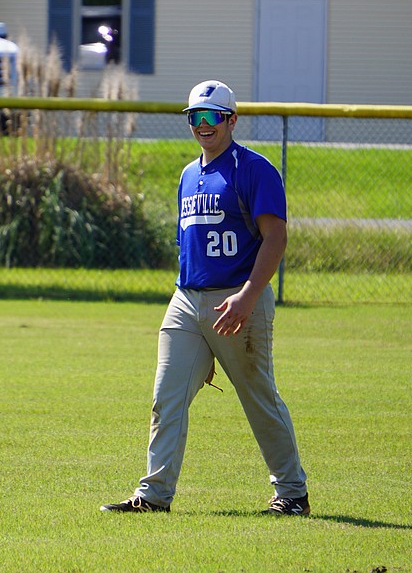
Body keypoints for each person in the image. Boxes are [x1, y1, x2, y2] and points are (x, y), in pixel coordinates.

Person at [101, 80, 309, 516]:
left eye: (213, 116)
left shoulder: (254, 169)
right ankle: (154, 496)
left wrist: (249, 296)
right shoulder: (188, 174)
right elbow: (189, 246)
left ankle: (292, 493)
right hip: (187, 302)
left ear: (232, 120)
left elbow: (276, 237)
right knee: (166, 395)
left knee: (258, 397)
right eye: (195, 116)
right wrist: (196, 321)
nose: (203, 124)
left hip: (238, 298)